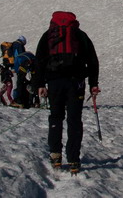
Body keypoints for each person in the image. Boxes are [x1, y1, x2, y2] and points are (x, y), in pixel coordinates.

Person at [33, 11, 100, 174]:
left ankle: (55, 154)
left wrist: (40, 84)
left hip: (54, 82)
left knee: (56, 117)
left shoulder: (48, 35)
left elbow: (39, 60)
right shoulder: (79, 35)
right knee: (74, 119)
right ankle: (74, 159)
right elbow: (92, 60)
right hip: (75, 82)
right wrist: (93, 83)